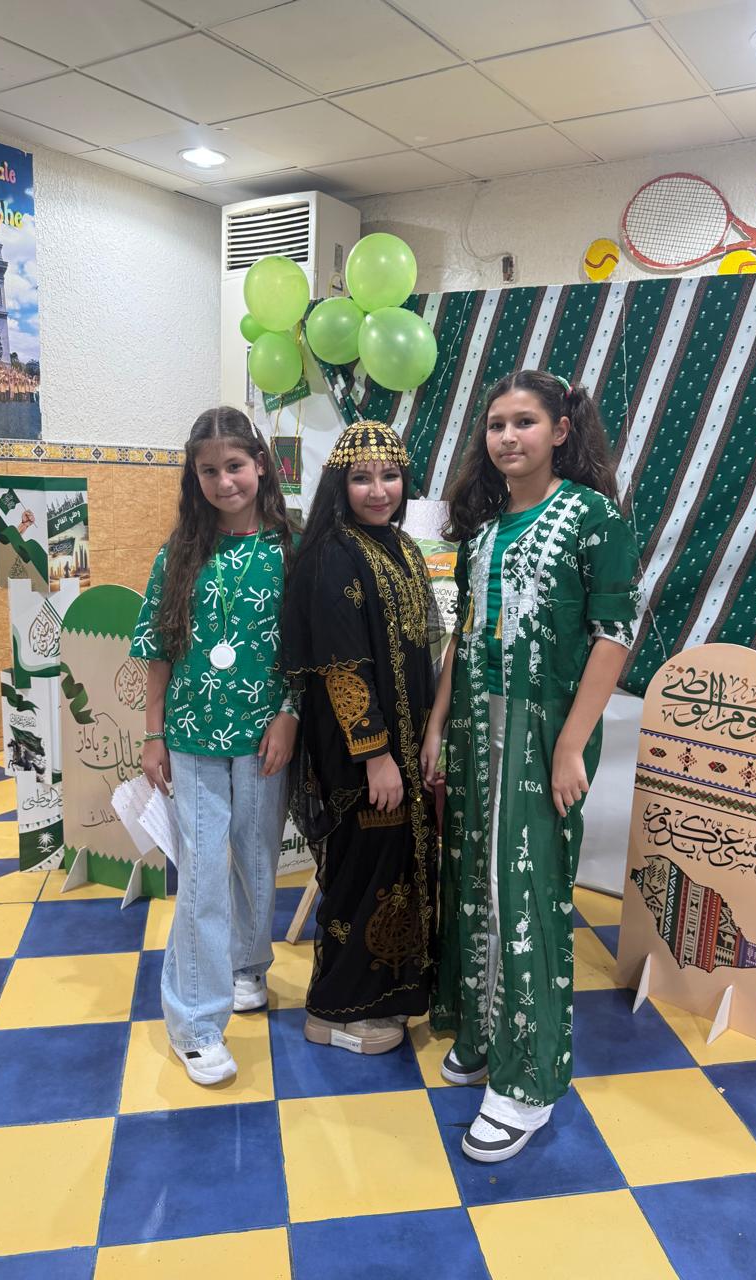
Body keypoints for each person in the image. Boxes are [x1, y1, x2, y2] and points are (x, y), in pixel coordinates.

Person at [421, 369, 640, 1162]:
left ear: (560, 430)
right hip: (477, 730)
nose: (507, 437)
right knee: (476, 881)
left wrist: (572, 744)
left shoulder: (592, 518)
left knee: (528, 892)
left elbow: (615, 635)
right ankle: (483, 1035)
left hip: (544, 733)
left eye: (524, 422)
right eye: (495, 424)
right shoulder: (483, 535)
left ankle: (528, 1085)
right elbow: (466, 636)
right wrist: (438, 723)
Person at [131, 405, 298, 1086]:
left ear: (261, 465)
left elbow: (307, 647)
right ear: (193, 478)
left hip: (265, 739)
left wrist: (289, 713)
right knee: (201, 872)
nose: (225, 481)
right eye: (209, 471)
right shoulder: (179, 553)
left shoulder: (291, 549)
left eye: (235, 466)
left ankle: (247, 966)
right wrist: (152, 733)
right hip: (192, 738)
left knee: (258, 860)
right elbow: (158, 648)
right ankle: (196, 1022)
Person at [281, 421, 437, 1055]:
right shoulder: (332, 554)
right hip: (358, 758)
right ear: (338, 486)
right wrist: (376, 757)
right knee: (361, 875)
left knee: (393, 871)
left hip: (401, 750)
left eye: (390, 476)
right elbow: (342, 667)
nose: (379, 490)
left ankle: (384, 996)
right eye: (362, 478)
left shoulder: (400, 546)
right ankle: (334, 1011)